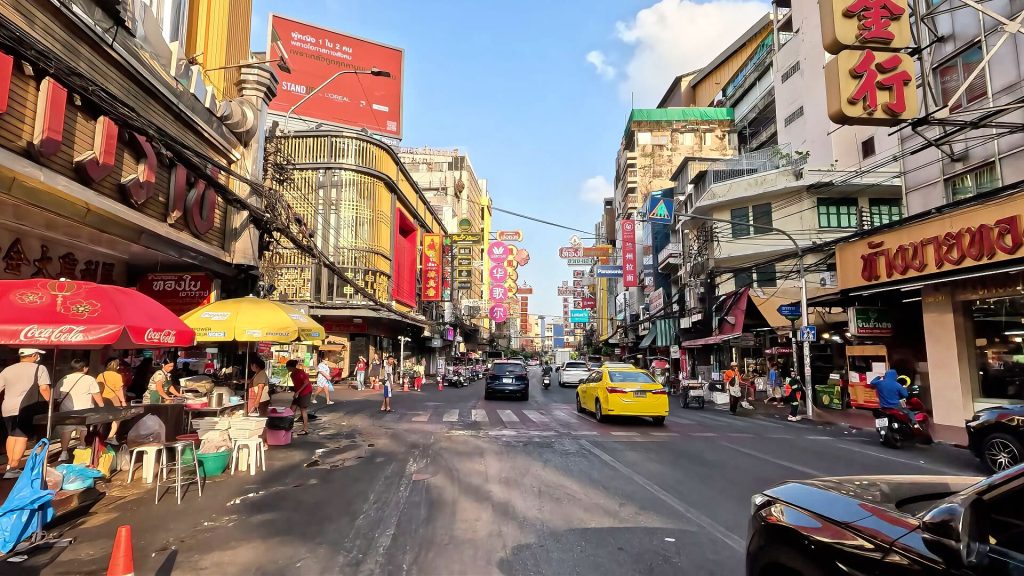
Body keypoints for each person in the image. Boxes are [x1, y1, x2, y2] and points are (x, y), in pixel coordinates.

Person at [0, 349, 52, 477]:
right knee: (22, 437)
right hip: (27, 407)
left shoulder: (7, 370)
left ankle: (9, 466)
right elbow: (44, 388)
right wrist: (50, 403)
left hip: (7, 407)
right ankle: (13, 469)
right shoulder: (40, 368)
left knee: (12, 435)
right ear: (34, 355)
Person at [56, 358, 104, 462]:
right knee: (84, 429)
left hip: (67, 410)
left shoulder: (64, 378)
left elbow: (56, 395)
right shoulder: (90, 379)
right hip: (84, 410)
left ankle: (64, 453)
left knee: (66, 431)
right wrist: (102, 407)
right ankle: (82, 448)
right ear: (85, 368)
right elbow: (96, 394)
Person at [97, 358, 127, 439]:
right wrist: (123, 401)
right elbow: (119, 390)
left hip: (102, 399)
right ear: (117, 366)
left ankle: (99, 436)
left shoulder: (101, 375)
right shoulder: (117, 376)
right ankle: (110, 437)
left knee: (102, 418)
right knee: (118, 418)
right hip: (113, 399)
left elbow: (98, 388)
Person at [287, 359, 312, 435]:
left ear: (291, 367)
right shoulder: (292, 375)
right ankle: (289, 428)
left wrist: (297, 392)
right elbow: (296, 385)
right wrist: (296, 392)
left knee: (303, 410)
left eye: (287, 367)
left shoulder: (300, 372)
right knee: (292, 409)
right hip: (298, 393)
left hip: (305, 392)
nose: (287, 369)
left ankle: (305, 429)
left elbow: (306, 382)